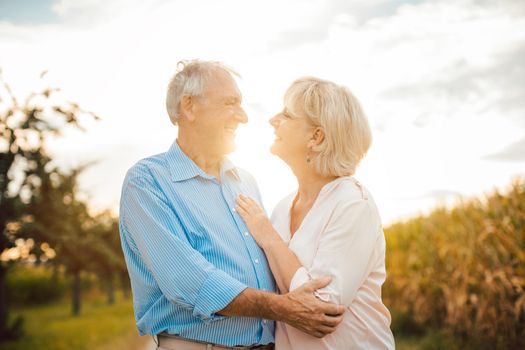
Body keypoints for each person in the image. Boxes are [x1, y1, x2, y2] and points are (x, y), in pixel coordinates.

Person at [118, 61, 345, 350]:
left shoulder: (245, 181)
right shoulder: (148, 181)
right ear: (189, 107)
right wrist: (284, 308)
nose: (244, 116)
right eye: (230, 103)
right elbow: (188, 280)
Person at [235, 77, 395, 349]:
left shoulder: (353, 204)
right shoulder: (281, 209)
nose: (273, 119)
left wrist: (269, 238)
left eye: (286, 114)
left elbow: (322, 308)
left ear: (316, 137)